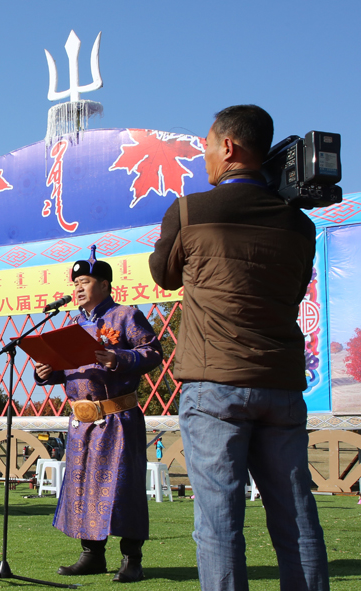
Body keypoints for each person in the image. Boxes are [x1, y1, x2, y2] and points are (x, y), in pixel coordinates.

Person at [149, 104, 329, 591]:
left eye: (208, 146)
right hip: (281, 384)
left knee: (219, 523)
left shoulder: (190, 210)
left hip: (215, 386)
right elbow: (291, 292)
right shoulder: (300, 226)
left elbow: (163, 274)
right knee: (296, 518)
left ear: (228, 147)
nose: (204, 157)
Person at [34, 248, 162, 583]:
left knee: (122, 489)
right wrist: (49, 372)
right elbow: (73, 370)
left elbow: (152, 352)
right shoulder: (74, 324)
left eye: (84, 282)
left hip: (117, 419)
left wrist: (117, 358)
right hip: (81, 423)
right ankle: (92, 555)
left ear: (104, 285)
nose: (77, 288)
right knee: (83, 489)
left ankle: (132, 559)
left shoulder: (125, 315)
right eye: (75, 282)